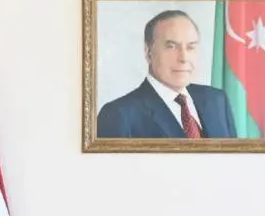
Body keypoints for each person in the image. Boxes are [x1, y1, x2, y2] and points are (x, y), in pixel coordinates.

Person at [94, 9, 237, 139]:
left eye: (191, 47)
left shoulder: (217, 101)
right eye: (171, 47)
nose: (184, 58)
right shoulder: (118, 115)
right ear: (148, 52)